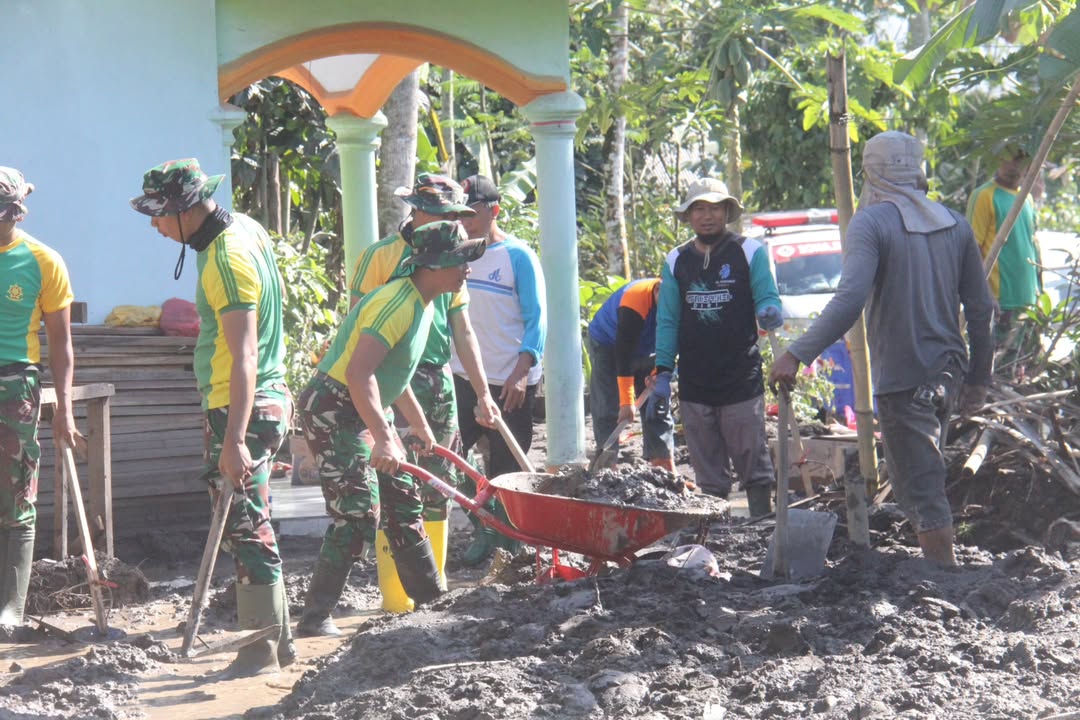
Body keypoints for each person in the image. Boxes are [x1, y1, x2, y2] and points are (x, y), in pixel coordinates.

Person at [770, 131, 994, 566]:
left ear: (871, 171)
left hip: (904, 378)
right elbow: (982, 309)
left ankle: (945, 578)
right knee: (923, 476)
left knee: (922, 489)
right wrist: (978, 379)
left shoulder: (871, 223)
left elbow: (849, 301)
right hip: (948, 372)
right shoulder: (954, 224)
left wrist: (796, 354)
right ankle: (940, 570)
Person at [131, 158, 292, 677]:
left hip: (240, 406)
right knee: (254, 521)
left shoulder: (225, 258)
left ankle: (259, 655)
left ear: (184, 211)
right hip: (262, 397)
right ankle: (282, 644)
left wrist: (235, 438)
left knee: (245, 529)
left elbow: (244, 354)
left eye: (158, 215)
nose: (154, 226)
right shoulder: (244, 227)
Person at [316, 173, 498, 623]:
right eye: (460, 262)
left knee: (405, 500)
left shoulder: (426, 300)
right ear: (433, 266)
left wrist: (416, 423)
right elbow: (361, 373)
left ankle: (430, 603)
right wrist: (383, 437)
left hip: (377, 393)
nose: (467, 270)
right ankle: (315, 617)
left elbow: (394, 375)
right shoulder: (397, 301)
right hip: (336, 405)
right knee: (359, 512)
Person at [654, 178, 782, 517]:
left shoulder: (748, 252)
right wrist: (663, 370)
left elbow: (766, 293)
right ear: (688, 215)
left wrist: (769, 309)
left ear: (727, 211)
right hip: (695, 380)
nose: (706, 216)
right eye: (698, 209)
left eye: (713, 208)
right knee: (708, 469)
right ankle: (717, 531)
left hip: (740, 377)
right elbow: (668, 319)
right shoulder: (677, 260)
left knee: (752, 458)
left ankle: (762, 524)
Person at [451, 174, 546, 565]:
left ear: (495, 211)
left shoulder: (517, 256)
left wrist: (522, 371)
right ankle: (483, 526)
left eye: (472, 213)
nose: (466, 221)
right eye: (460, 214)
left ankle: (508, 543)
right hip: (462, 375)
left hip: (509, 379)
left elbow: (537, 319)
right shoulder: (456, 255)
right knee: (452, 456)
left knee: (508, 468)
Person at [0, 168, 75, 638]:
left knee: (17, 492)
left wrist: (64, 407)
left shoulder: (43, 261)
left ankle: (11, 606)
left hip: (15, 385)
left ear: (16, 214)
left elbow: (61, 344)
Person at [585, 277, 674, 470]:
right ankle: (607, 467)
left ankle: (663, 465)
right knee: (608, 405)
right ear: (657, 290)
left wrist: (660, 372)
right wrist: (626, 402)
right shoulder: (635, 300)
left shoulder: (681, 303)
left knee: (657, 403)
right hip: (608, 343)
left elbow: (678, 342)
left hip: (649, 346)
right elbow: (623, 354)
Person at [965, 144, 1041, 359]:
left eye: (1019, 160)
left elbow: (1031, 246)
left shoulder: (1027, 198)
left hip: (1026, 303)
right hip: (1000, 303)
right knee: (997, 368)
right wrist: (986, 295)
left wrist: (1038, 293)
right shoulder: (984, 195)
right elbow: (971, 250)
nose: (1012, 165)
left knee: (1022, 368)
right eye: (1006, 158)